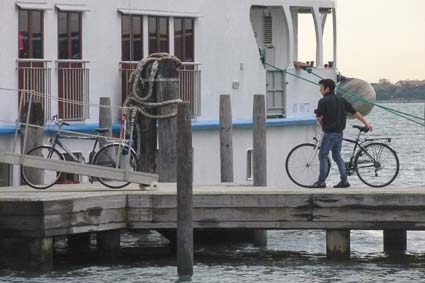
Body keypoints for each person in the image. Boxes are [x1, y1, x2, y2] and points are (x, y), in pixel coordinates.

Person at [312, 79, 372, 188]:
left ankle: (321, 181)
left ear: (327, 89)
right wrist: (366, 123)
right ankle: (344, 181)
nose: (320, 90)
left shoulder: (322, 101)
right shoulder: (341, 100)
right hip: (339, 133)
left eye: (321, 87)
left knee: (322, 155)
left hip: (329, 133)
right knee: (337, 157)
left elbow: (319, 119)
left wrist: (318, 118)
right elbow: (355, 112)